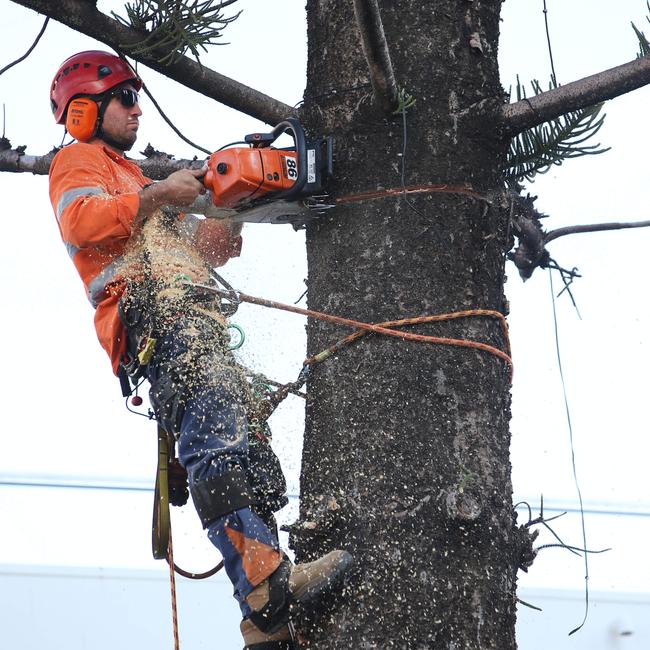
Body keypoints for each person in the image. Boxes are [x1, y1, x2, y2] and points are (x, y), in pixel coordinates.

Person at [48, 50, 351, 650]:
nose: (137, 111)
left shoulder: (136, 179)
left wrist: (231, 207)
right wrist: (164, 194)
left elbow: (206, 247)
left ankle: (264, 614)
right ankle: (264, 588)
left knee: (253, 451)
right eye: (125, 100)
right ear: (85, 111)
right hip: (156, 318)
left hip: (196, 319)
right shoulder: (77, 162)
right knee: (216, 441)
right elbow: (84, 223)